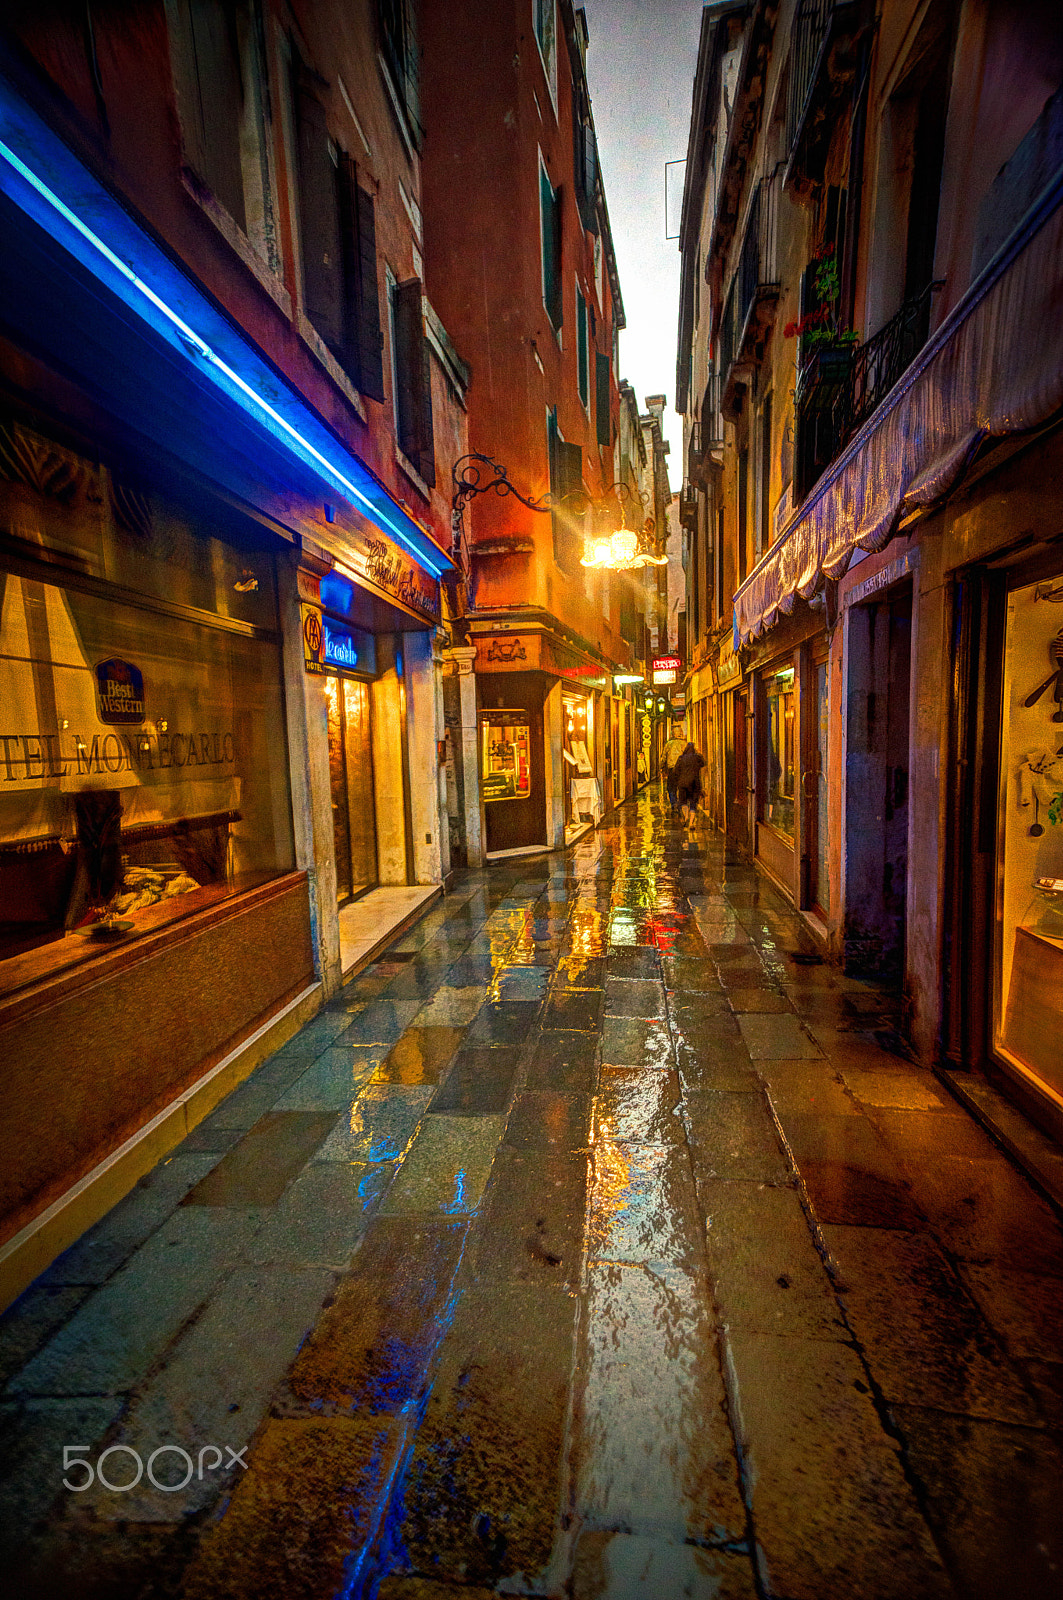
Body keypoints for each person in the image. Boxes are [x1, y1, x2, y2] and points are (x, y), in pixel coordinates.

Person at [672, 740, 706, 831]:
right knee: (693, 803)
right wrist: (699, 753)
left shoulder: (681, 758)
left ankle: (686, 816)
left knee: (683, 802)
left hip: (682, 783)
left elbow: (675, 771)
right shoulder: (697, 758)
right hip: (695, 783)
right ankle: (691, 823)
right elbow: (703, 763)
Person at [662, 725, 686, 817]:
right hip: (682, 769)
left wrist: (662, 767)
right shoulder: (685, 744)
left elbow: (664, 757)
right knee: (682, 787)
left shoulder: (669, 744)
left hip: (672, 769)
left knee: (671, 787)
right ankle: (681, 803)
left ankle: (674, 803)